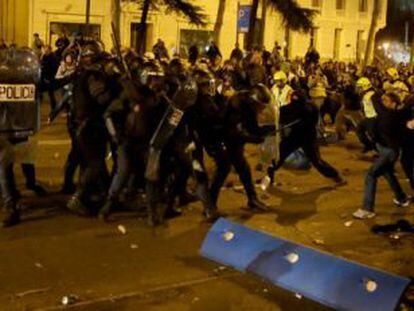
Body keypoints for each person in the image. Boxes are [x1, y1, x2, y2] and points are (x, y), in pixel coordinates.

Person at [353, 93, 410, 219]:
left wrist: (374, 91)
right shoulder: (390, 113)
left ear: (393, 103)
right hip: (387, 150)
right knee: (388, 173)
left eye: (386, 100)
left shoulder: (391, 115)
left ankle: (367, 209)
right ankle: (401, 198)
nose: (383, 102)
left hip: (389, 151)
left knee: (371, 174)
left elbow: (375, 100)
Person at [40, 45, 59, 111]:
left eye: (47, 50)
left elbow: (54, 68)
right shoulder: (44, 56)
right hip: (44, 77)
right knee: (40, 92)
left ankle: (54, 107)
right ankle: (39, 104)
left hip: (50, 78)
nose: (45, 51)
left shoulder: (53, 57)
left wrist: (49, 78)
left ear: (50, 50)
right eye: (45, 50)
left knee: (51, 93)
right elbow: (41, 65)